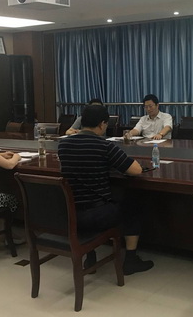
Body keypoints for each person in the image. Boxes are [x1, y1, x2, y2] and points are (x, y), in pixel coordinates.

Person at [59, 105, 154, 275]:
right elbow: (136, 170)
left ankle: (90, 257)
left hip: (71, 213)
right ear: (102, 124)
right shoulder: (104, 146)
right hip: (97, 215)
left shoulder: (63, 145)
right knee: (133, 203)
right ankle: (130, 260)